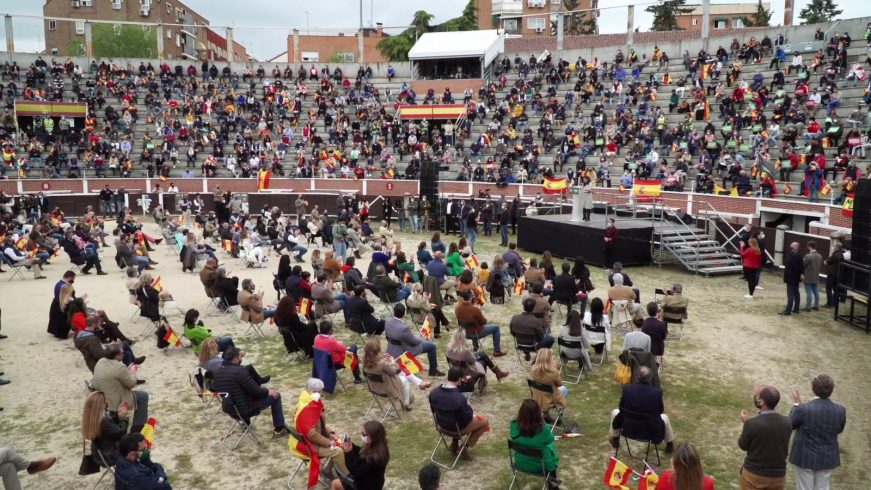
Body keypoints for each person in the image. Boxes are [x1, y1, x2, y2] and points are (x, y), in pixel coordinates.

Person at [210, 347, 291, 437]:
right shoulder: (240, 371)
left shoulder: (217, 373)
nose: (241, 359)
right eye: (240, 357)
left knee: (240, 396)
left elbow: (214, 388)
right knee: (276, 396)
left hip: (231, 410)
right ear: (235, 359)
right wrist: (268, 391)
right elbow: (256, 391)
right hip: (245, 411)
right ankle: (279, 429)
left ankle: (246, 423)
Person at [789, 374, 847, 490]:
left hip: (804, 456)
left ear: (813, 388)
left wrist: (797, 404)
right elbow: (839, 429)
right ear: (831, 390)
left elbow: (790, 424)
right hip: (828, 456)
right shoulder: (840, 410)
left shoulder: (803, 408)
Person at [290, 378, 349, 487]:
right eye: (315, 391)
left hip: (310, 441)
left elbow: (320, 424)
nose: (318, 394)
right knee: (338, 451)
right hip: (308, 445)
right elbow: (311, 434)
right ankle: (347, 478)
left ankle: (327, 470)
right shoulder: (308, 408)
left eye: (319, 391)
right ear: (308, 390)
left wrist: (330, 433)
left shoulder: (308, 401)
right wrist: (328, 442)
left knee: (342, 440)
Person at [427, 367, 491, 460]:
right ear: (460, 379)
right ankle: (465, 448)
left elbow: (433, 410)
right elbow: (468, 418)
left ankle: (454, 444)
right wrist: (470, 410)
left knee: (455, 417)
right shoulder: (459, 398)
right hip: (456, 429)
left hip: (441, 425)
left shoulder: (433, 393)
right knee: (484, 422)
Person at [609, 366, 676, 453]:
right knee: (665, 417)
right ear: (650, 378)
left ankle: (615, 439)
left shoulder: (627, 389)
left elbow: (621, 408)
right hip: (649, 431)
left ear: (636, 377)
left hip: (628, 428)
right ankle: (670, 445)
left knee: (615, 412)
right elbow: (660, 411)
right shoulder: (657, 392)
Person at [738, 385, 793, 489]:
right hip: (777, 477)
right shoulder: (787, 422)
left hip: (753, 475)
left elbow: (743, 445)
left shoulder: (752, 424)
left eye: (758, 397)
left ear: (762, 402)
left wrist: (747, 424)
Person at [92, 344, 149, 433]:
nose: (124, 354)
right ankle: (138, 427)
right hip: (114, 400)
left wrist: (127, 370)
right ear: (116, 355)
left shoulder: (101, 361)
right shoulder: (119, 367)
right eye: (122, 353)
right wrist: (132, 372)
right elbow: (131, 383)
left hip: (101, 397)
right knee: (143, 396)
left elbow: (116, 375)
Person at [362, 337, 430, 410]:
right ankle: (406, 404)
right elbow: (394, 372)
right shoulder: (382, 364)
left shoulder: (366, 361)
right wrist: (393, 362)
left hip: (374, 387)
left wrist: (384, 358)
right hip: (385, 388)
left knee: (404, 373)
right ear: (377, 350)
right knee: (404, 379)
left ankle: (420, 383)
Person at [509, 399, 561, 489]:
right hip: (540, 467)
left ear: (521, 412)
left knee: (546, 449)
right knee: (550, 449)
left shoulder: (514, 425)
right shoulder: (543, 429)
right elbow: (550, 439)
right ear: (538, 413)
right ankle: (552, 482)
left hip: (520, 462)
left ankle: (552, 481)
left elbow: (514, 436)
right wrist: (543, 423)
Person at [385, 304, 444, 377]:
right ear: (403, 314)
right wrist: (422, 338)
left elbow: (387, 336)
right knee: (432, 346)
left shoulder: (387, 321)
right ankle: (433, 371)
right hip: (404, 349)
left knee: (423, 340)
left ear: (394, 311)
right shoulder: (404, 328)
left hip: (391, 347)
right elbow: (414, 342)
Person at [329, 420, 390, 490]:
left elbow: (355, 471)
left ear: (373, 436)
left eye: (364, 434)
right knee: (336, 481)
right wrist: (351, 445)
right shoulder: (376, 446)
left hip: (366, 486)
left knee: (335, 483)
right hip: (366, 480)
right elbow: (361, 452)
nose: (362, 435)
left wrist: (349, 452)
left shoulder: (376, 457)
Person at [81, 391, 131, 467]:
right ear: (100, 405)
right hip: (109, 456)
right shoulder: (103, 421)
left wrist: (118, 414)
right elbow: (121, 432)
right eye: (104, 401)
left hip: (100, 454)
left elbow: (111, 427)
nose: (106, 402)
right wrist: (122, 416)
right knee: (137, 443)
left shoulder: (93, 419)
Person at [454, 290, 506, 357]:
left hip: (464, 333)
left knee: (473, 326)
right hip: (475, 333)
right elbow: (483, 322)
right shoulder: (475, 309)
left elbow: (460, 320)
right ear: (470, 297)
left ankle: (476, 347)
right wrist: (478, 310)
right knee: (496, 328)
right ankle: (497, 351)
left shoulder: (457, 308)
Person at [529, 348, 568, 417]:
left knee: (547, 390)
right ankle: (560, 412)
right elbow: (559, 385)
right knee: (564, 389)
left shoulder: (533, 369)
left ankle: (546, 413)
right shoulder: (554, 373)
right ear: (550, 358)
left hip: (537, 397)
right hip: (549, 400)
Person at [780, 242, 804, 316]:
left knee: (790, 294)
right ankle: (796, 308)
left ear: (795, 247)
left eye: (792, 246)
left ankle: (788, 310)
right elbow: (801, 267)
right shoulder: (798, 255)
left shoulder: (793, 255)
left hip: (791, 277)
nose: (790, 247)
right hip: (795, 277)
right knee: (796, 293)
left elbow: (794, 267)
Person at [802, 241, 823, 311]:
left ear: (809, 247)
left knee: (808, 292)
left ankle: (808, 306)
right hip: (816, 276)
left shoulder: (808, 256)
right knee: (816, 291)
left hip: (808, 276)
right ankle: (816, 305)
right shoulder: (820, 256)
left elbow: (803, 265)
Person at [823, 242, 845, 308]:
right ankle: (835, 303)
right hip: (838, 274)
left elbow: (826, 262)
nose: (833, 247)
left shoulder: (835, 255)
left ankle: (829, 303)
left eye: (834, 246)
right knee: (836, 289)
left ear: (837, 247)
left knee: (828, 288)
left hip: (831, 274)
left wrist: (825, 261)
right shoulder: (841, 254)